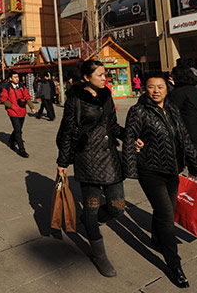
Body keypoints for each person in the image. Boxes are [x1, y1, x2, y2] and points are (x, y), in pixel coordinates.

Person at [124, 76, 197, 289]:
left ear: (167, 89)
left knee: (163, 210)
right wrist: (130, 168)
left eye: (160, 87)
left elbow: (184, 137)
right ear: (145, 89)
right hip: (150, 170)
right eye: (151, 87)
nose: (156, 91)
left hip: (173, 170)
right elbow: (130, 138)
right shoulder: (138, 111)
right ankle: (174, 264)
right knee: (167, 215)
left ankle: (156, 239)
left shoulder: (172, 109)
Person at [56, 60, 126, 277]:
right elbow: (67, 132)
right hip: (87, 159)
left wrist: (129, 138)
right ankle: (99, 255)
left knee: (117, 206)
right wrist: (63, 162)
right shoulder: (75, 100)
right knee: (92, 206)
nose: (105, 78)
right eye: (100, 74)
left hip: (111, 159)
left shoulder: (106, 95)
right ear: (86, 78)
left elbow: (113, 125)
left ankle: (89, 221)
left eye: (105, 74)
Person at [0, 72, 36, 158]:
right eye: (15, 77)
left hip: (22, 111)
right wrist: (12, 106)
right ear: (11, 79)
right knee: (18, 130)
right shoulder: (7, 88)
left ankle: (11, 141)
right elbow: (3, 99)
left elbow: (27, 97)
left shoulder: (22, 87)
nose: (17, 78)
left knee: (18, 129)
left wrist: (32, 107)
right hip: (13, 112)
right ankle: (21, 150)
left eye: (17, 77)